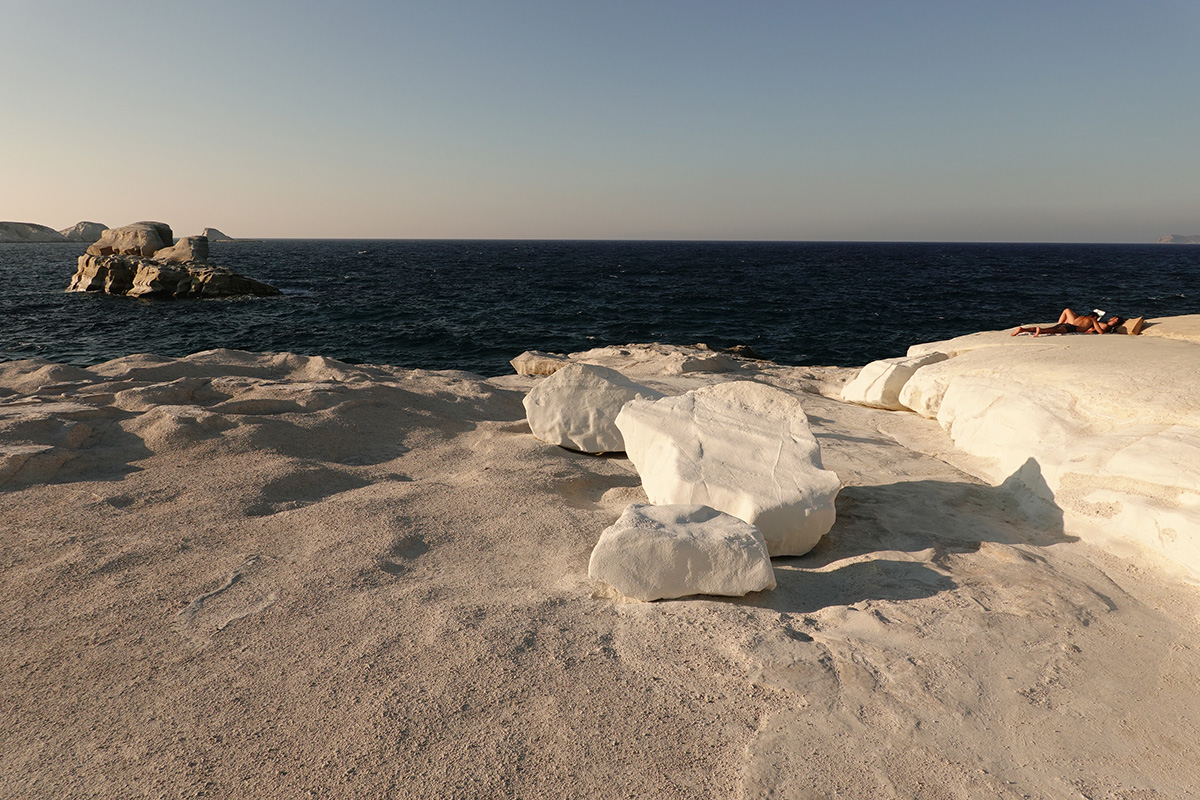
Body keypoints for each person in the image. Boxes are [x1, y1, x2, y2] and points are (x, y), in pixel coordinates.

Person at [1011, 308, 1124, 337]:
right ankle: (1040, 331)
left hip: (1069, 324)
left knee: (1055, 327)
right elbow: (1101, 332)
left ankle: (1023, 329)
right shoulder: (1093, 320)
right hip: (1072, 328)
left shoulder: (1081, 317)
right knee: (1053, 330)